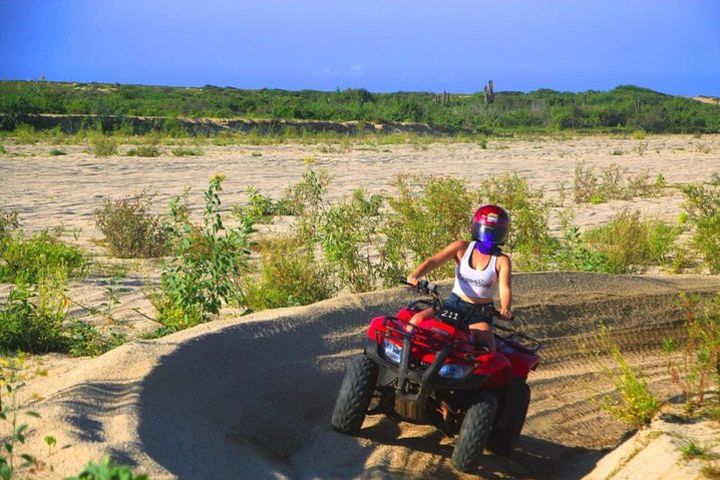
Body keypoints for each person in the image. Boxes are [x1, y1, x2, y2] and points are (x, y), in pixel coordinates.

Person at [406, 205, 513, 352]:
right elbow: (433, 261)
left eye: (495, 232)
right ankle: (403, 359)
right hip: (454, 305)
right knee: (417, 321)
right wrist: (414, 276)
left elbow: (504, 287)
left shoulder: (502, 260)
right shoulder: (461, 247)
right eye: (486, 230)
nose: (489, 236)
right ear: (475, 227)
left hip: (480, 313)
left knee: (487, 349)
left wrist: (505, 308)